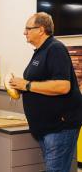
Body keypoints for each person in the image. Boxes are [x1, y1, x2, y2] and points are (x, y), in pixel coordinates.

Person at [10, 12, 82, 172]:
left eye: (28, 29)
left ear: (41, 29)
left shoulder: (55, 48)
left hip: (59, 127)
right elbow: (40, 83)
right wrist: (20, 86)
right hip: (46, 127)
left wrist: (27, 85)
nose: (24, 32)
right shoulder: (40, 51)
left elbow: (63, 86)